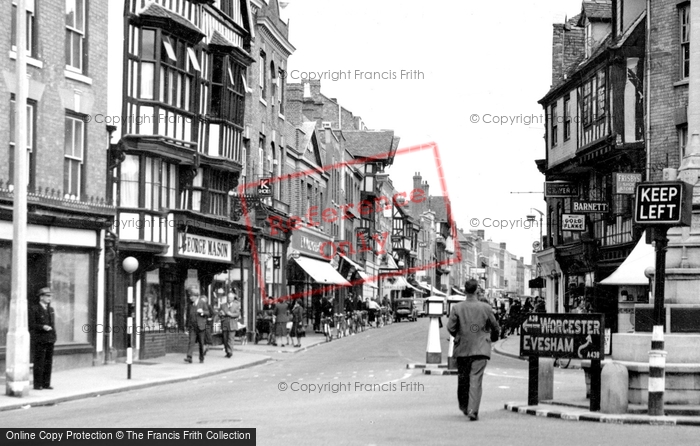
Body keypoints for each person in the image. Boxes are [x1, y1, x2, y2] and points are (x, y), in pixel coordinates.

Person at [447, 279, 500, 421]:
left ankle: (464, 406)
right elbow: (495, 327)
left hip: (463, 349)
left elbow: (450, 327)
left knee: (463, 379)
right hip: (481, 349)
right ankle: (472, 410)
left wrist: (460, 335)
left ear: (465, 290)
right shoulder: (486, 308)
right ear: (477, 290)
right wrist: (492, 338)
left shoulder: (457, 308)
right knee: (475, 379)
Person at [30, 287, 57, 390]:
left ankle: (46, 383)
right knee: (39, 362)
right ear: (41, 297)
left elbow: (53, 324)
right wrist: (42, 327)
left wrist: (54, 337)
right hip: (40, 339)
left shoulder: (51, 309)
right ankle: (38, 385)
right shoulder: (34, 308)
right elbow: (31, 325)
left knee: (48, 362)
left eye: (51, 296)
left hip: (50, 339)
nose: (50, 298)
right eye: (47, 296)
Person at [185, 286, 209, 363]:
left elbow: (208, 313)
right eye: (190, 296)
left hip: (201, 326)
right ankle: (189, 357)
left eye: (192, 296)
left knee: (201, 343)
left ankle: (201, 358)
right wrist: (186, 327)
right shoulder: (190, 304)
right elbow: (188, 316)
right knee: (191, 342)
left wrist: (202, 312)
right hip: (192, 327)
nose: (190, 298)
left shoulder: (202, 303)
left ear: (196, 296)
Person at [219, 292, 241, 358]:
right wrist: (221, 314)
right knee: (225, 339)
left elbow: (238, 314)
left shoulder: (236, 305)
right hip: (225, 324)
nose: (229, 299)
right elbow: (219, 314)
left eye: (231, 297)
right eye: (228, 297)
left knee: (230, 339)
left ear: (233, 298)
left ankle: (230, 352)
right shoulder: (223, 305)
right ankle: (227, 351)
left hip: (232, 324)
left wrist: (231, 314)